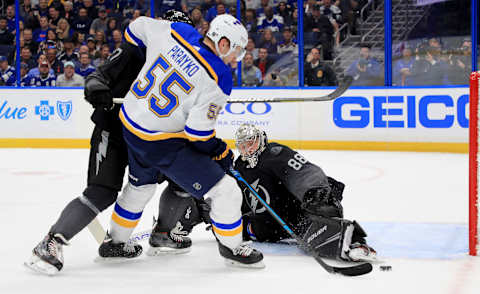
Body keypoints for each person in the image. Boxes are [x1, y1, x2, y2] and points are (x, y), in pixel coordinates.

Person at [25, 11, 198, 276]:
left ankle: (162, 233)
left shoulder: (190, 67)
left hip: (151, 137)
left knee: (183, 179)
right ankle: (51, 242)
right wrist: (97, 87)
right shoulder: (135, 51)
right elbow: (99, 75)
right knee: (102, 191)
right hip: (114, 131)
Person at [100, 14, 264, 268]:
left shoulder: (177, 31)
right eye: (237, 51)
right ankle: (233, 248)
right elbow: (198, 134)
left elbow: (136, 28)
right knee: (226, 190)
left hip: (132, 124)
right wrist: (218, 150)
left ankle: (115, 242)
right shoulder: (219, 76)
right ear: (223, 43)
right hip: (161, 142)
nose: (237, 58)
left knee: (140, 187)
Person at [156, 123, 378, 263]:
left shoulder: (274, 153)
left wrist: (315, 192)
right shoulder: (239, 168)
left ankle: (355, 243)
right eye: (242, 146)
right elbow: (236, 200)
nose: (247, 149)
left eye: (250, 143)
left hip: (294, 216)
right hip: (263, 226)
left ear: (260, 139)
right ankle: (175, 228)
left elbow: (304, 172)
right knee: (210, 205)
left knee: (322, 213)